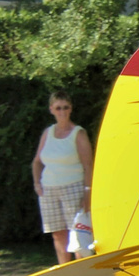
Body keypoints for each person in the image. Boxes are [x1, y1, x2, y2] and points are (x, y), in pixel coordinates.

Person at [32, 91, 94, 264]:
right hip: (49, 189)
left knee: (77, 234)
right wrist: (37, 183)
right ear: (51, 109)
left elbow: (88, 165)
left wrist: (88, 193)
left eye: (65, 107)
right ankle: (64, 269)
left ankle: (82, 271)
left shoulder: (78, 133)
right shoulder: (48, 132)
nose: (62, 112)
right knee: (57, 233)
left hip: (73, 186)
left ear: (71, 109)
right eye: (58, 108)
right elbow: (37, 161)